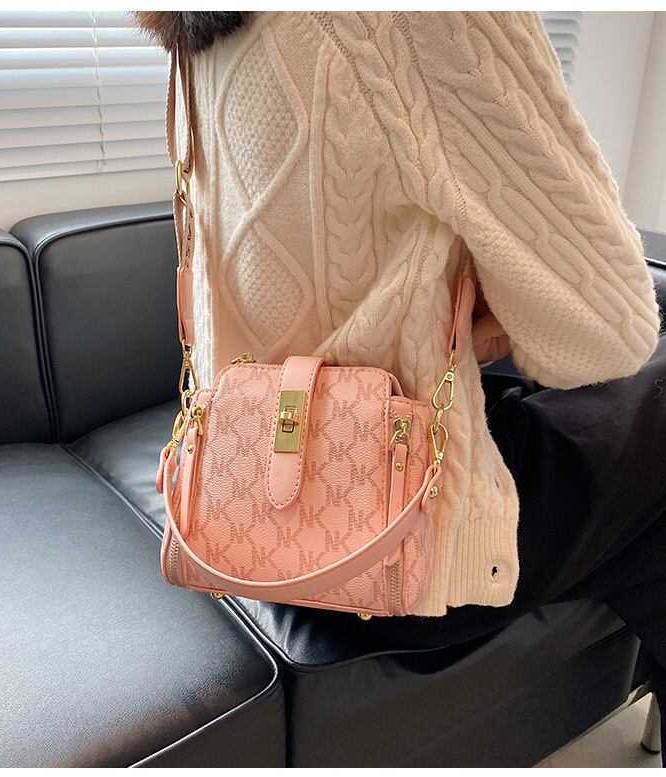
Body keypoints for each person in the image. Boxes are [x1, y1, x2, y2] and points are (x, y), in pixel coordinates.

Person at [137, 10, 666, 752]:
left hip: (246, 517)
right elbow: (609, 334)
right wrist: (491, 318)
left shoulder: (199, 30)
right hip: (402, 541)